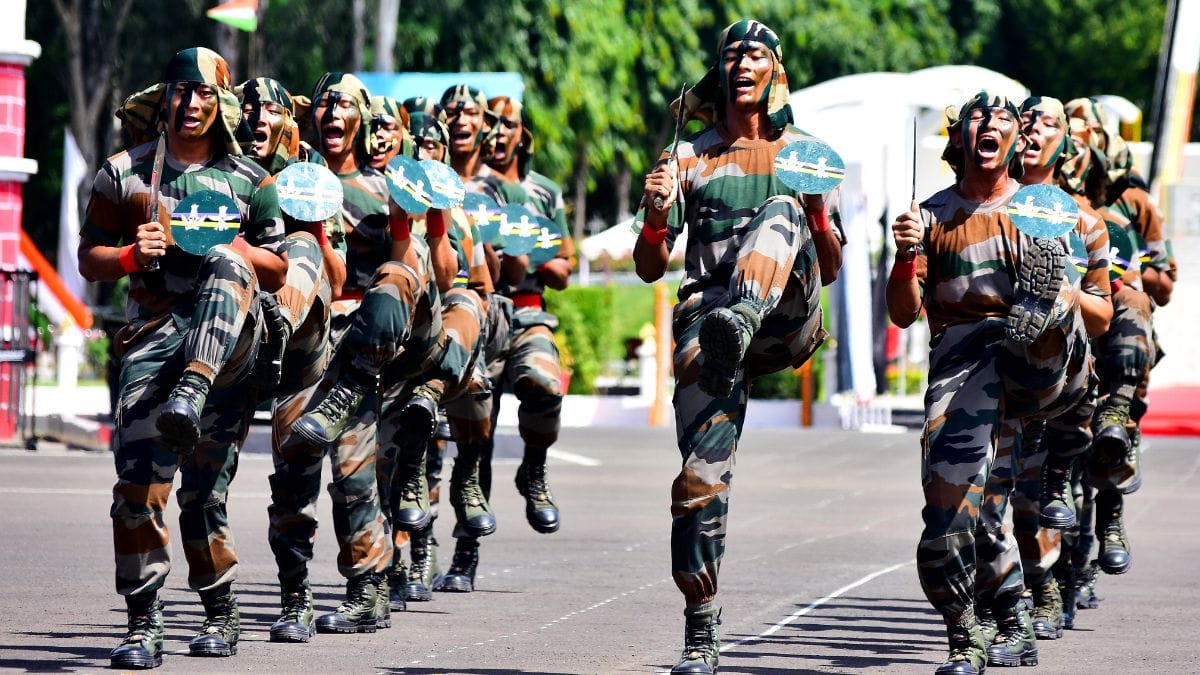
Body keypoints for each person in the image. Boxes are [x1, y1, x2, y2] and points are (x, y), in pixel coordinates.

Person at [633, 20, 844, 674]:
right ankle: (701, 623)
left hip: (785, 310)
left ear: (776, 70)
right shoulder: (689, 156)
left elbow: (831, 265)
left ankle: (743, 317)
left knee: (779, 216)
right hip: (711, 315)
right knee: (699, 478)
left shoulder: (807, 153)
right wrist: (654, 213)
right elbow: (648, 266)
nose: (743, 63)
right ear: (720, 72)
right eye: (732, 55)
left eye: (757, 54)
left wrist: (813, 214)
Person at [79, 47, 287, 668]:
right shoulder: (124, 174)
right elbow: (89, 256)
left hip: (226, 344)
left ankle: (221, 612)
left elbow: (277, 267)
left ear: (220, 103)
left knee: (204, 490)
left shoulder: (253, 180)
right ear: (164, 95)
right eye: (180, 90)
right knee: (139, 485)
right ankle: (143, 623)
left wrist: (238, 248)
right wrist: (129, 257)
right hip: (154, 336)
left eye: (204, 94)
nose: (191, 103)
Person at [887, 91, 1092, 674]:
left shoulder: (1038, 207)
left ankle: (1042, 308)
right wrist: (905, 257)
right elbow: (902, 313)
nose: (990, 125)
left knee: (1051, 305)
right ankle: (986, 626)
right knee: (960, 512)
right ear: (959, 140)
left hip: (1036, 363)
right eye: (977, 117)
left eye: (1004, 119)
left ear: (1015, 142)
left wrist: (1046, 303)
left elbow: (1093, 300)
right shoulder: (927, 217)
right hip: (964, 369)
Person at [266, 71, 449, 638]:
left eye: (344, 104)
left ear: (364, 118)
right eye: (323, 103)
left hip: (365, 342)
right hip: (304, 337)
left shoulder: (385, 184)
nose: (332, 112)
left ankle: (367, 593)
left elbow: (420, 269)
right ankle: (294, 599)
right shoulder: (287, 183)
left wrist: (415, 221)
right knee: (293, 474)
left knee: (353, 472)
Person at [972, 96, 1111, 646]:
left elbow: (1103, 315)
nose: (1031, 132)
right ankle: (1010, 599)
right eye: (1023, 122)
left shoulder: (1085, 221)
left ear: (1065, 145)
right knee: (995, 492)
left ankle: (1049, 587)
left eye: (1047, 124)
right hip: (998, 368)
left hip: (1062, 380)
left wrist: (1069, 293)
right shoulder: (983, 208)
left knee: (1039, 493)